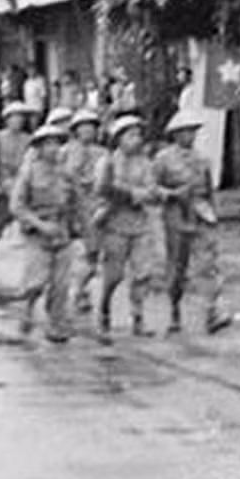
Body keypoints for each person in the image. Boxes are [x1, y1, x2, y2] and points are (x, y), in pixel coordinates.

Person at [153, 110, 229, 335]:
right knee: (177, 267)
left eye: (193, 131)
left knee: (207, 264)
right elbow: (152, 188)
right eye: (185, 132)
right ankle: (175, 309)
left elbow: (208, 190)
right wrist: (172, 194)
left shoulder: (203, 160)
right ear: (175, 134)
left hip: (201, 213)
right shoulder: (163, 159)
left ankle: (212, 311)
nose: (190, 136)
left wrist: (215, 215)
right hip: (176, 215)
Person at [10, 122, 80, 343]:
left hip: (62, 232)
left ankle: (55, 324)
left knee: (61, 284)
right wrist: (39, 224)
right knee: (36, 282)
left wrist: (85, 232)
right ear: (38, 148)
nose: (53, 148)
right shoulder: (28, 173)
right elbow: (17, 206)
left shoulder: (66, 174)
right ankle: (27, 309)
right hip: (37, 234)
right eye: (48, 144)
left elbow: (78, 204)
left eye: (56, 144)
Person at [93, 114, 160, 340]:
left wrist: (130, 193)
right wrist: (123, 192)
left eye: (138, 134)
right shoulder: (107, 162)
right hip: (115, 224)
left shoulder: (145, 163)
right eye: (130, 135)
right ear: (119, 139)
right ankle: (103, 312)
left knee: (143, 273)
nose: (136, 139)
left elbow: (152, 192)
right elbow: (101, 189)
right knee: (114, 275)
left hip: (139, 223)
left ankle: (138, 317)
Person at [0, 100, 37, 273]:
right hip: (4, 190)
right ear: (7, 119)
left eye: (21, 117)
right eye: (14, 117)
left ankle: (33, 265)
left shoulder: (30, 140)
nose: (18, 121)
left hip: (23, 189)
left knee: (30, 227)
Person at [62, 109, 106, 313]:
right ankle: (76, 291)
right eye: (83, 127)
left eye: (92, 126)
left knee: (93, 254)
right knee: (78, 251)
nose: (88, 131)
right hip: (73, 207)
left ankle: (80, 289)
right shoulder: (66, 152)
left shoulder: (103, 154)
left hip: (96, 207)